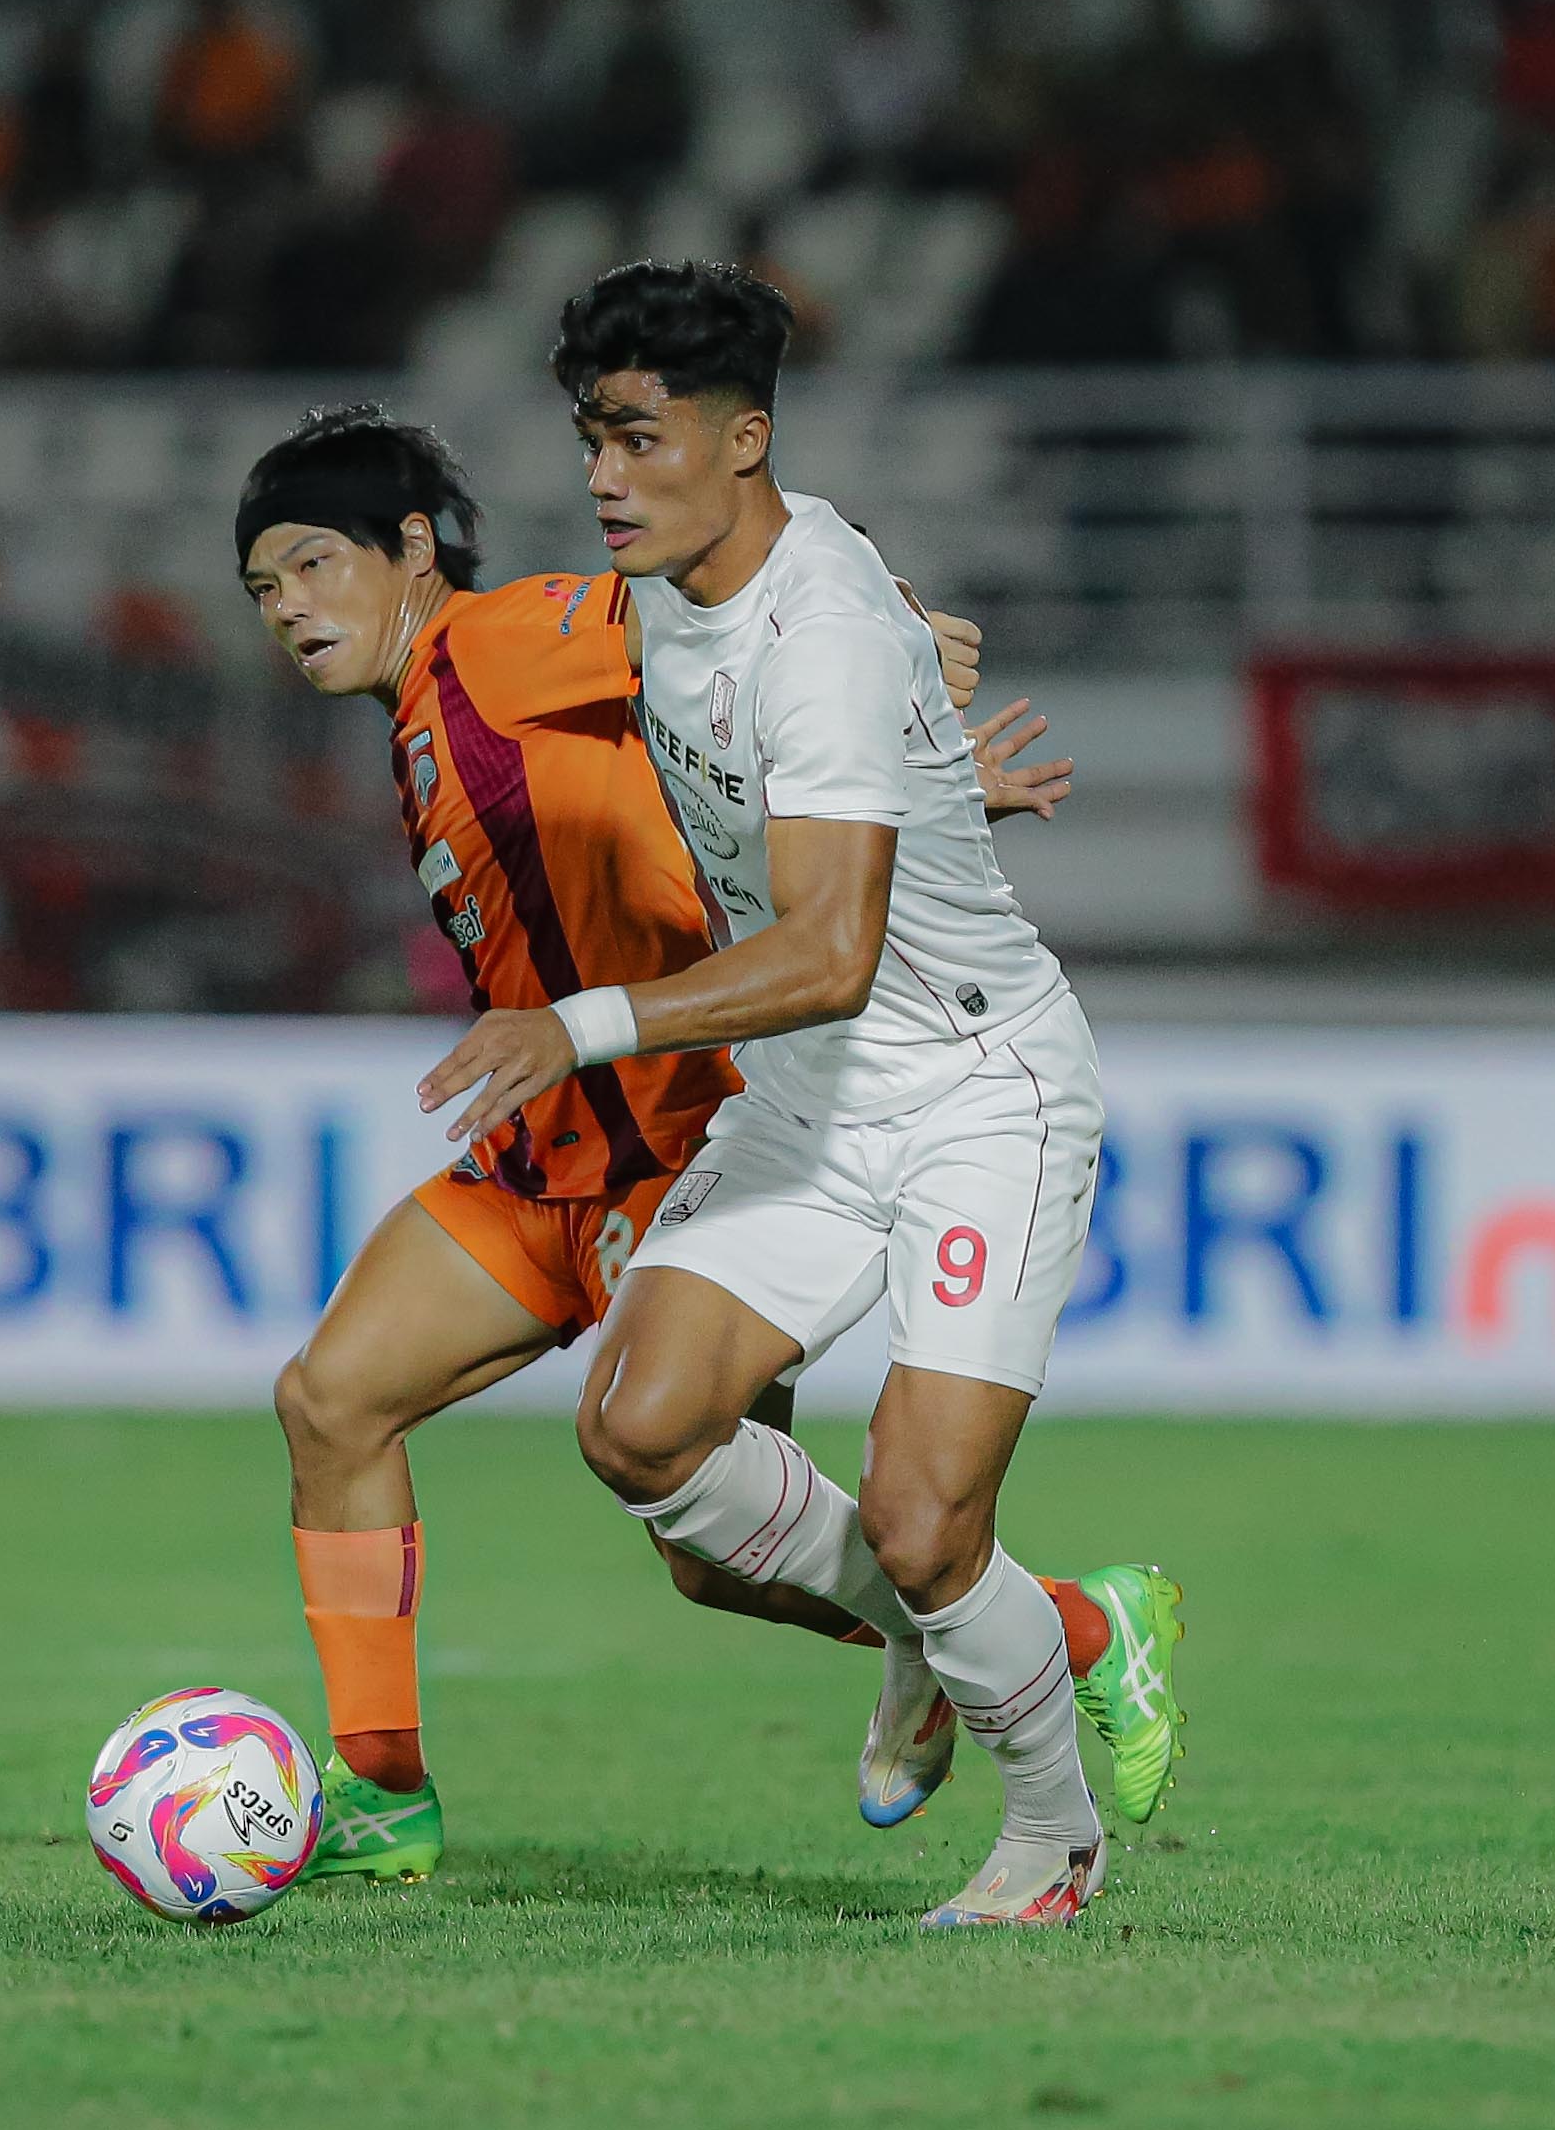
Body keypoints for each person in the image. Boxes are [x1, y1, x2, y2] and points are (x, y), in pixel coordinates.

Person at [236, 403, 1177, 1884]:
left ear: (412, 549)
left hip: (684, 1135)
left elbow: (715, 610)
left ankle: (1053, 1624)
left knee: (707, 1551)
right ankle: (381, 1794)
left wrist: (896, 672)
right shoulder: (422, 721)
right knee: (332, 1401)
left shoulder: (502, 637)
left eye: (308, 565)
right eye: (263, 590)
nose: (289, 608)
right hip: (546, 1151)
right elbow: (702, 771)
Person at [421, 261, 1131, 1929]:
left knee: (923, 1513)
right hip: (813, 1099)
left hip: (975, 1089)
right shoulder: (681, 583)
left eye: (641, 438)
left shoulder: (817, 630)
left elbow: (823, 950)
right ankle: (950, 1640)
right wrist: (940, 796)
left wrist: (574, 1026)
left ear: (744, 441)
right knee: (641, 1430)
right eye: (592, 436)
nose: (604, 475)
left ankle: (1055, 1842)